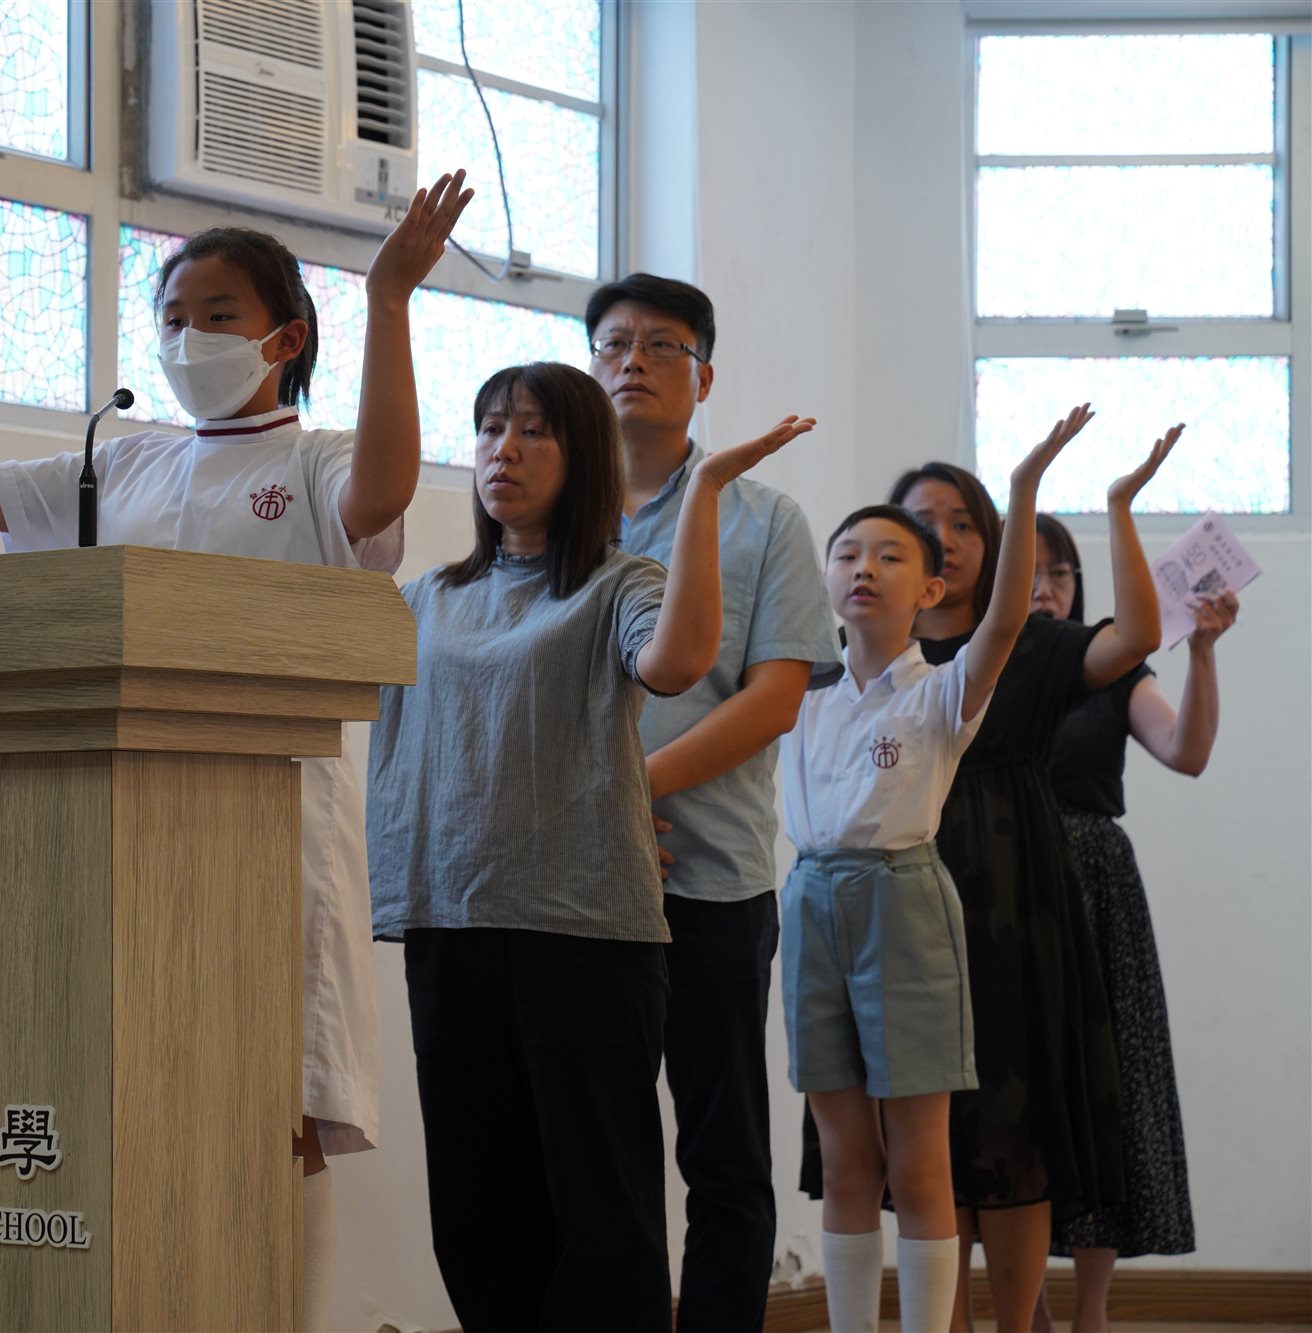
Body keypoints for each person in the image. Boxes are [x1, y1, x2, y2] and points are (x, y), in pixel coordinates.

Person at [0, 172, 474, 1329]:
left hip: (275, 821)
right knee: (154, 1093)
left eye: (217, 315)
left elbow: (381, 492)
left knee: (274, 1111)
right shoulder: (123, 462)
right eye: (170, 316)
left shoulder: (314, 462)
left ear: (283, 338)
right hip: (133, 825)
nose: (186, 338)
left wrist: (390, 306)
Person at [368, 360, 815, 1332]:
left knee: (599, 1213)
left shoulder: (620, 583)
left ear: (582, 459)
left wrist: (703, 491)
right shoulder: (427, 597)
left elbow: (679, 661)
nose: (505, 449)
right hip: (450, 923)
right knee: (476, 1210)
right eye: (491, 428)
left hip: (584, 934)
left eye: (534, 430)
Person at [798, 425, 1176, 1332]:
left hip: (982, 898)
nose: (870, 564)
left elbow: (1088, 630)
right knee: (873, 1147)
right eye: (854, 549)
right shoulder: (816, 680)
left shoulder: (988, 664)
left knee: (982, 1134)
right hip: (842, 904)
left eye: (956, 524)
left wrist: (1068, 493)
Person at [583, 274, 839, 1329]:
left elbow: (774, 697)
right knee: (596, 1156)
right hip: (571, 884)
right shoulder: (553, 509)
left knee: (724, 1158)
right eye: (612, 344)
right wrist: (587, 817)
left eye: (661, 345)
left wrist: (625, 793)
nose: (632, 361)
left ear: (705, 376)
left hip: (710, 879)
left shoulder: (765, 518)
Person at [1029, 514, 1238, 1333]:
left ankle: (1092, 1313)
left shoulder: (1112, 668)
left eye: (1059, 573)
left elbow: (1187, 751)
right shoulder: (975, 667)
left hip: (1098, 889)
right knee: (1018, 1096)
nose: (1044, 588)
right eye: (1029, 571)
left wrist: (1202, 652)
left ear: (1078, 587)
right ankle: (1026, 1310)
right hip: (1002, 881)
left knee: (1106, 1090)